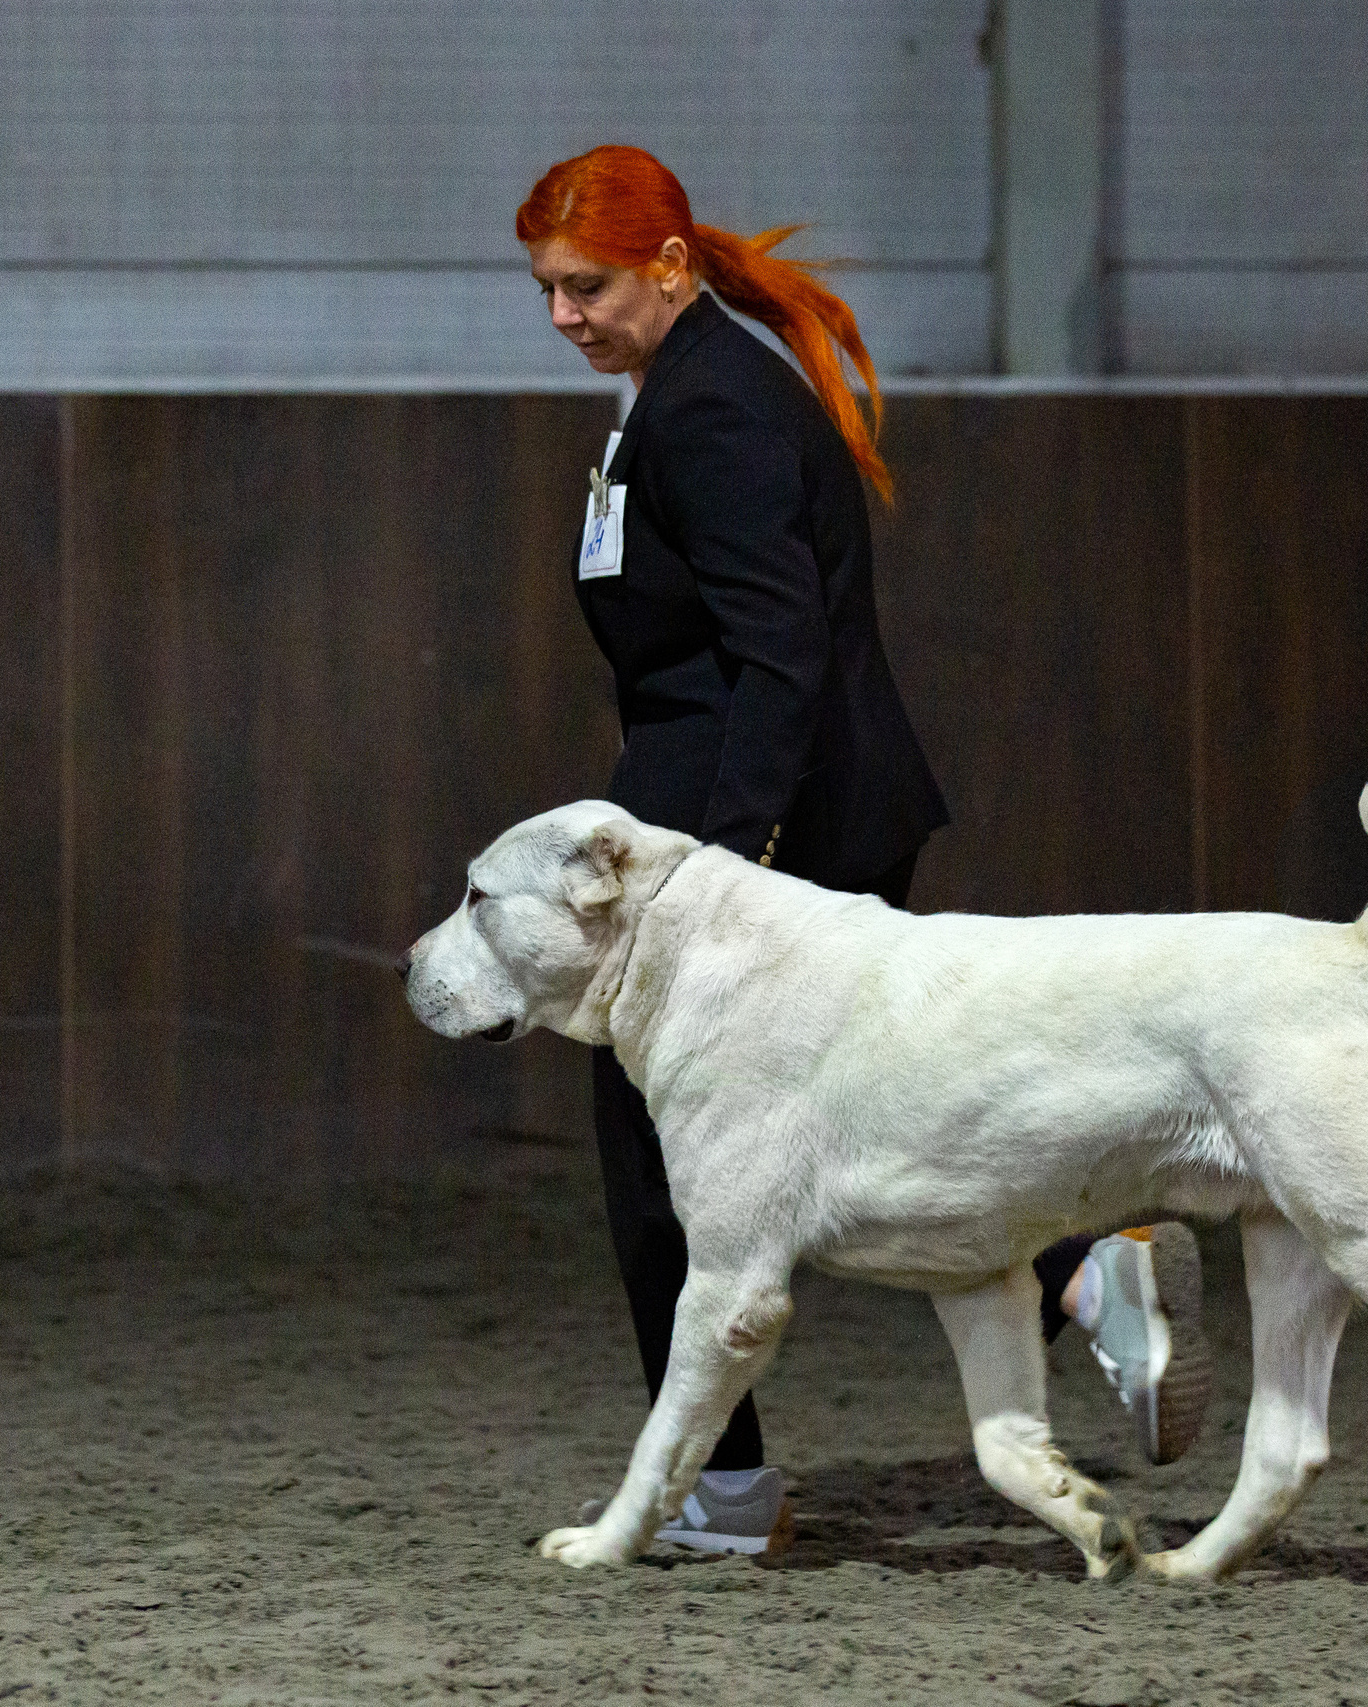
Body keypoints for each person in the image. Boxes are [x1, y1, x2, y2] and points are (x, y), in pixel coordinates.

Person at [515, 145, 1207, 1554]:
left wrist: (723, 875)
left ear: (667, 266)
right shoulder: (686, 389)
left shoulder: (711, 411)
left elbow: (781, 655)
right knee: (884, 1125)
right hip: (764, 820)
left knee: (662, 1166)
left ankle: (727, 1491)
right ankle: (1085, 1282)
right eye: (545, 291)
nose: (562, 317)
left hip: (753, 838)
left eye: (584, 287)